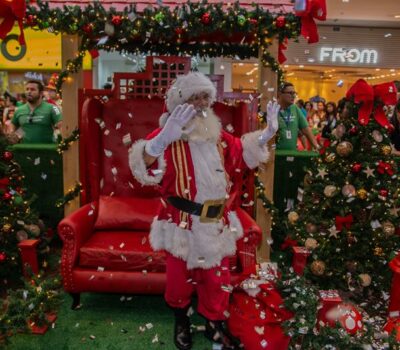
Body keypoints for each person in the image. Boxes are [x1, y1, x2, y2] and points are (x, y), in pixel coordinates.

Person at [129, 72, 280, 350]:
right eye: (193, 97)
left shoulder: (218, 136)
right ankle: (181, 320)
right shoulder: (166, 136)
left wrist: (265, 136)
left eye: (204, 98)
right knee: (179, 282)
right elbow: (143, 164)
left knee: (216, 279)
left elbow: (242, 154)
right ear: (179, 102)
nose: (200, 104)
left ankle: (214, 325)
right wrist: (163, 138)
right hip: (180, 222)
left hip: (216, 222)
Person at [276, 82, 319, 151]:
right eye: (290, 93)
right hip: (275, 156)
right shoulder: (272, 109)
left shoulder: (295, 108)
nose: (293, 96)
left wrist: (316, 146)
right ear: (280, 94)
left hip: (292, 154)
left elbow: (306, 130)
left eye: (294, 93)